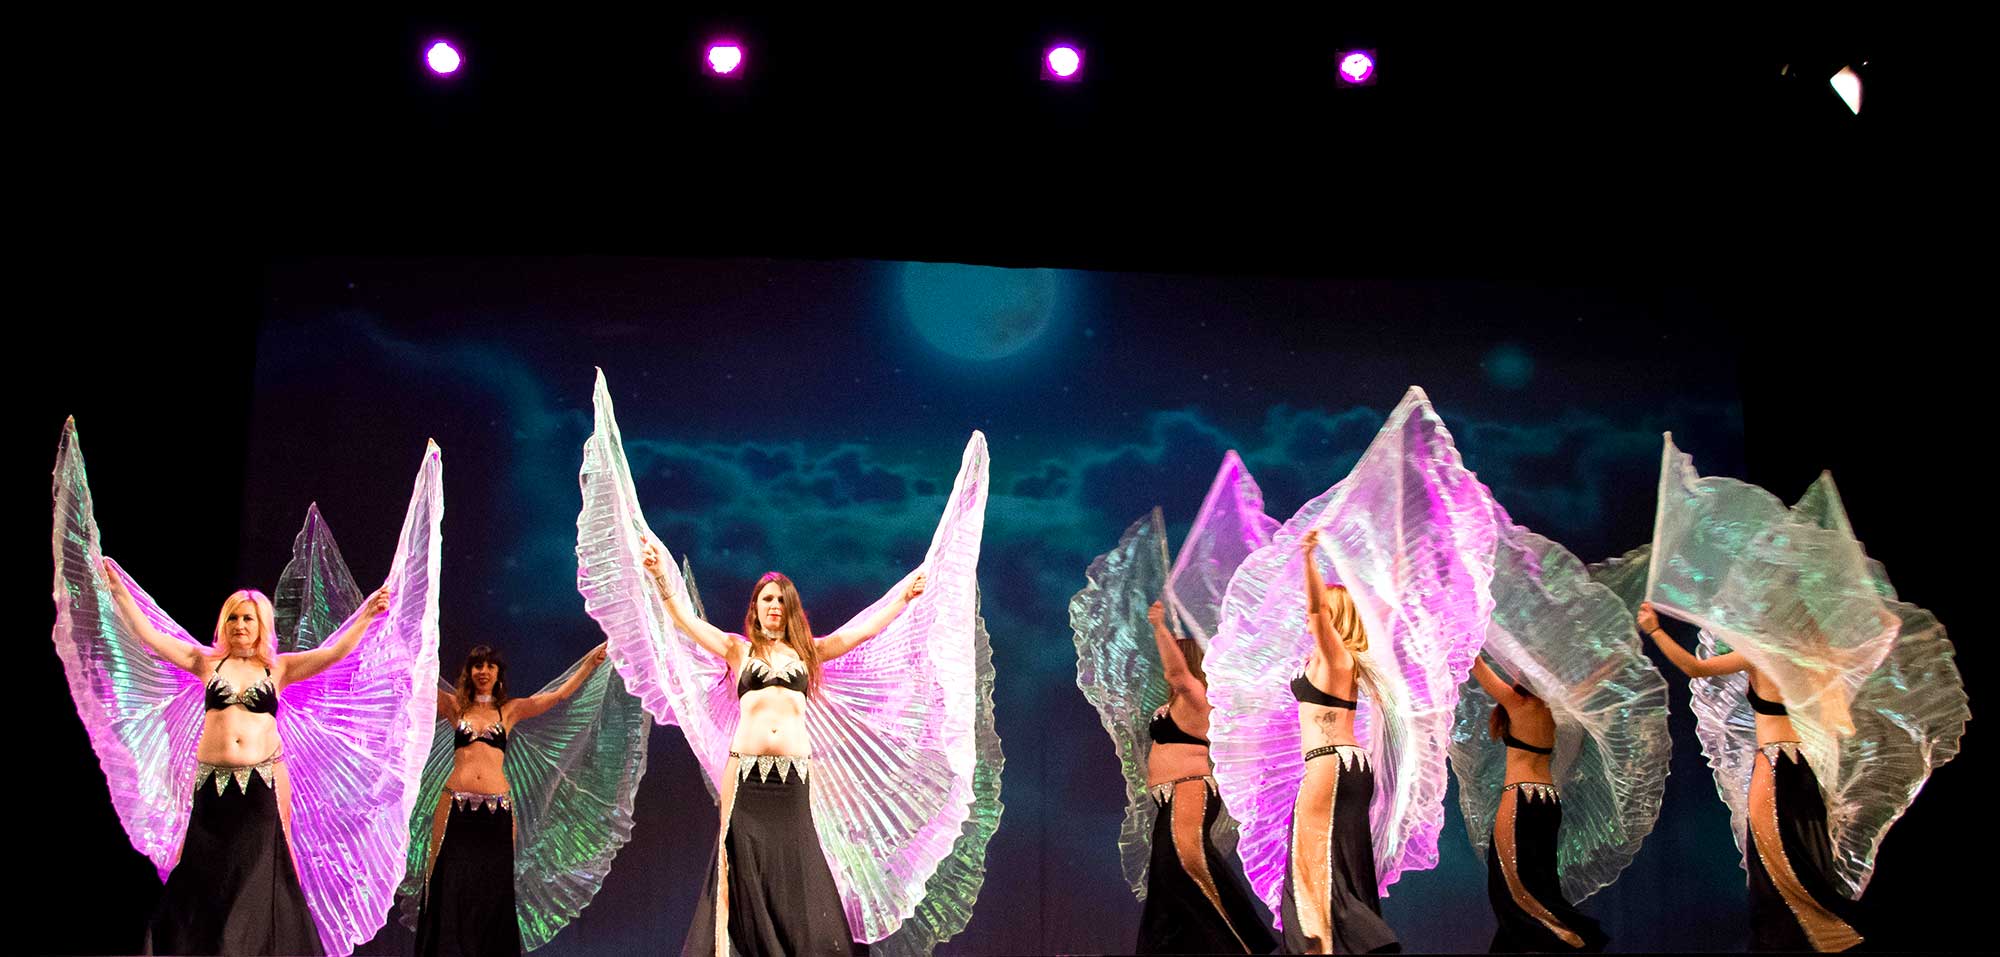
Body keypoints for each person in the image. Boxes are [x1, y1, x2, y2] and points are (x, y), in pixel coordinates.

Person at [411, 642, 611, 957]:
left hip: (496, 814)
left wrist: (589, 664)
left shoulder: (510, 710)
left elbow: (558, 696)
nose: (483, 671)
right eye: (477, 665)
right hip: (455, 809)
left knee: (493, 888)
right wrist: (398, 637)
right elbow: (415, 682)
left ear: (498, 674)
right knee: (446, 882)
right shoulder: (454, 707)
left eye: (490, 666)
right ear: (469, 672)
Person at [1134, 599, 1276, 954]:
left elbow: (1177, 675)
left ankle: (1241, 943)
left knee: (1189, 862)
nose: (1166, 667)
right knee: (1168, 872)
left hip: (1189, 790)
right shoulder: (1173, 705)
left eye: (1173, 657)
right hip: (1174, 797)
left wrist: (1158, 627)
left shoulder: (1198, 698)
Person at [1283, 530, 1399, 955]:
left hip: (1330, 763)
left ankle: (1351, 942)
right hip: (1343, 763)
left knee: (1311, 857)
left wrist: (1308, 557)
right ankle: (1357, 939)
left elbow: (1316, 612)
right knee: (1341, 857)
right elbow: (1379, 610)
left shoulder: (1337, 657)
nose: (1309, 615)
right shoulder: (1337, 660)